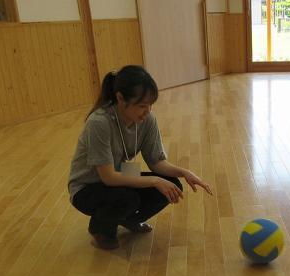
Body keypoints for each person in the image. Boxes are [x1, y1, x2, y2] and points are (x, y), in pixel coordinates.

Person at [68, 65, 212, 249]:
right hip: (87, 185)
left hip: (117, 175)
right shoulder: (99, 122)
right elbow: (108, 177)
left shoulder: (147, 119)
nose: (148, 110)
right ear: (120, 98)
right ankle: (100, 229)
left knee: (172, 184)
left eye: (151, 104)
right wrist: (153, 181)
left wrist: (185, 172)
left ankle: (126, 220)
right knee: (129, 197)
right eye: (142, 105)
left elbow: (157, 162)